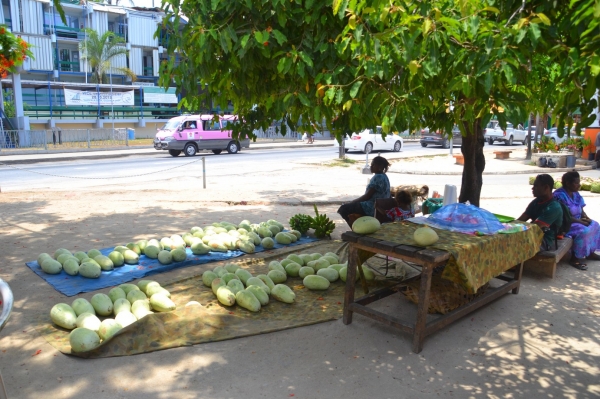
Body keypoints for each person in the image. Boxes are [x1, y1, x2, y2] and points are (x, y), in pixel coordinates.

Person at [553, 171, 600, 270]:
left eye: (579, 182)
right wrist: (581, 222)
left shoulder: (576, 193)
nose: (579, 185)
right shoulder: (559, 195)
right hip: (565, 224)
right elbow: (564, 216)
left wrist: (586, 218)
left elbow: (581, 209)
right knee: (584, 230)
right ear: (567, 183)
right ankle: (575, 258)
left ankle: (590, 253)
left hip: (577, 221)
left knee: (595, 225)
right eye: (576, 183)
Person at [338, 156, 391, 227]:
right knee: (350, 207)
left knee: (343, 209)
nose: (371, 167)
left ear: (380, 167)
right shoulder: (384, 176)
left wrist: (353, 201)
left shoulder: (378, 177)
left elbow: (367, 196)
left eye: (373, 165)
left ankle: (356, 228)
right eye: (371, 165)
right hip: (378, 206)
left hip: (371, 207)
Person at [518, 174, 563, 252]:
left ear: (546, 187)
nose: (532, 188)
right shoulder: (536, 202)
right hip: (532, 234)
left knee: (515, 246)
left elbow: (535, 228)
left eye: (535, 186)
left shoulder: (554, 207)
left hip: (544, 240)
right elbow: (520, 220)